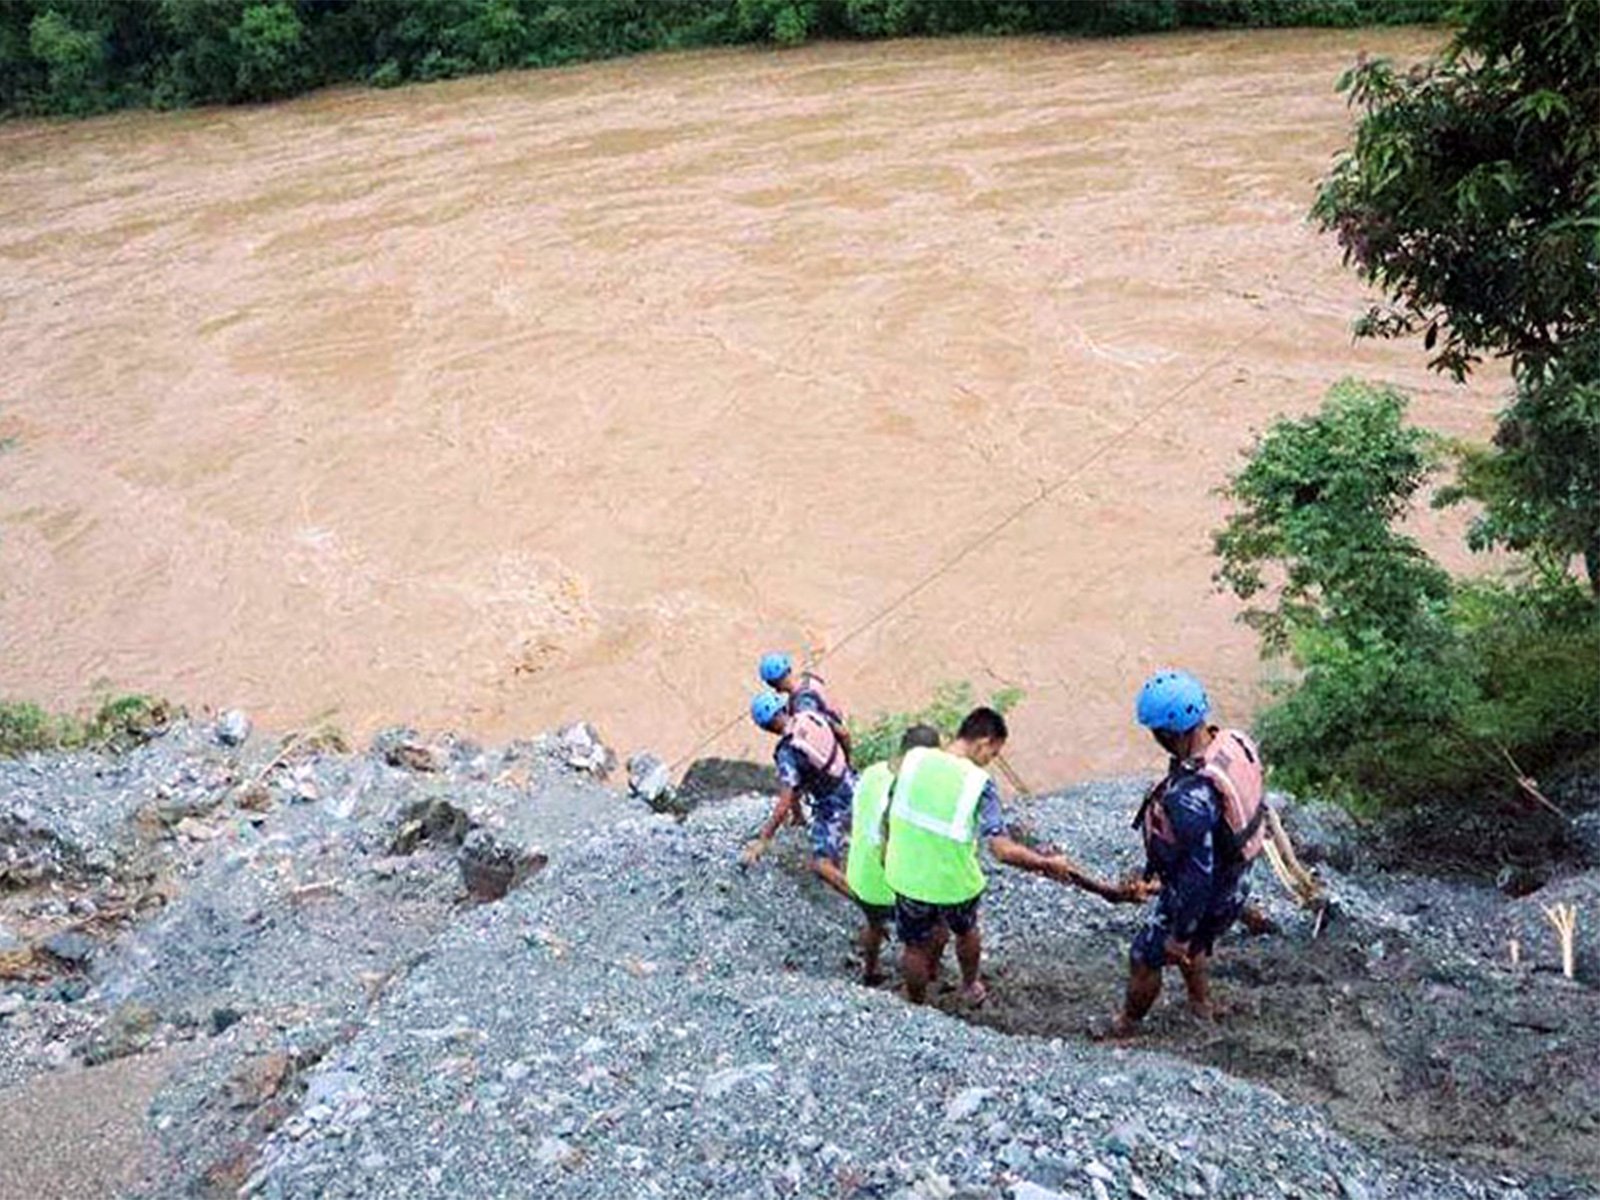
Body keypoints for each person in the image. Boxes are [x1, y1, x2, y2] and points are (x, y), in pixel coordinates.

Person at [884, 706, 1141, 1006]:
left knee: (914, 947)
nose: (988, 762)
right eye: (992, 755)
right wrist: (1046, 863)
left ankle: (914, 1004)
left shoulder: (914, 760)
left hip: (906, 876)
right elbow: (1001, 849)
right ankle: (969, 987)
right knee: (966, 931)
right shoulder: (978, 783)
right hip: (953, 884)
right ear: (984, 742)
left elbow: (891, 810)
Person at [1101, 669, 1267, 1039]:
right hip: (1239, 877)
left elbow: (1197, 876)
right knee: (1198, 939)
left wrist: (1179, 933)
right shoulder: (1231, 742)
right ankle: (1200, 1004)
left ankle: (1127, 1025)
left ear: (1168, 732)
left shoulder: (1189, 797)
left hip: (1213, 891)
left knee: (1145, 957)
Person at [846, 723, 942, 986]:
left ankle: (870, 971)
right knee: (932, 929)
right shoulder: (914, 789)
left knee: (874, 924)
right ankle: (929, 974)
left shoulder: (871, 773)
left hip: (860, 878)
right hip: (893, 886)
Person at [740, 690, 856, 900]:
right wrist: (847, 764)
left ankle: (871, 907)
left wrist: (763, 840)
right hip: (851, 781)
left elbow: (785, 800)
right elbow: (844, 734)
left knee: (821, 865)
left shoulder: (787, 753)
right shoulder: (810, 715)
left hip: (833, 804)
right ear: (784, 708)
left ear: (766, 727)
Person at [759, 651, 853, 761]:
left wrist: (846, 760)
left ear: (772, 684)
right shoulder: (808, 679)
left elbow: (840, 733)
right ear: (789, 669)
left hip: (832, 749)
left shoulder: (803, 705)